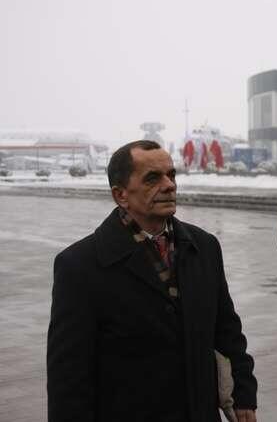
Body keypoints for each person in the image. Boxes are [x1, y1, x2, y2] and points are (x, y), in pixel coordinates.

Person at [47, 140, 257, 422]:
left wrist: (244, 394)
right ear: (121, 195)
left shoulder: (204, 247)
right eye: (152, 178)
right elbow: (69, 376)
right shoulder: (80, 265)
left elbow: (227, 331)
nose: (169, 185)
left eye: (171, 175)